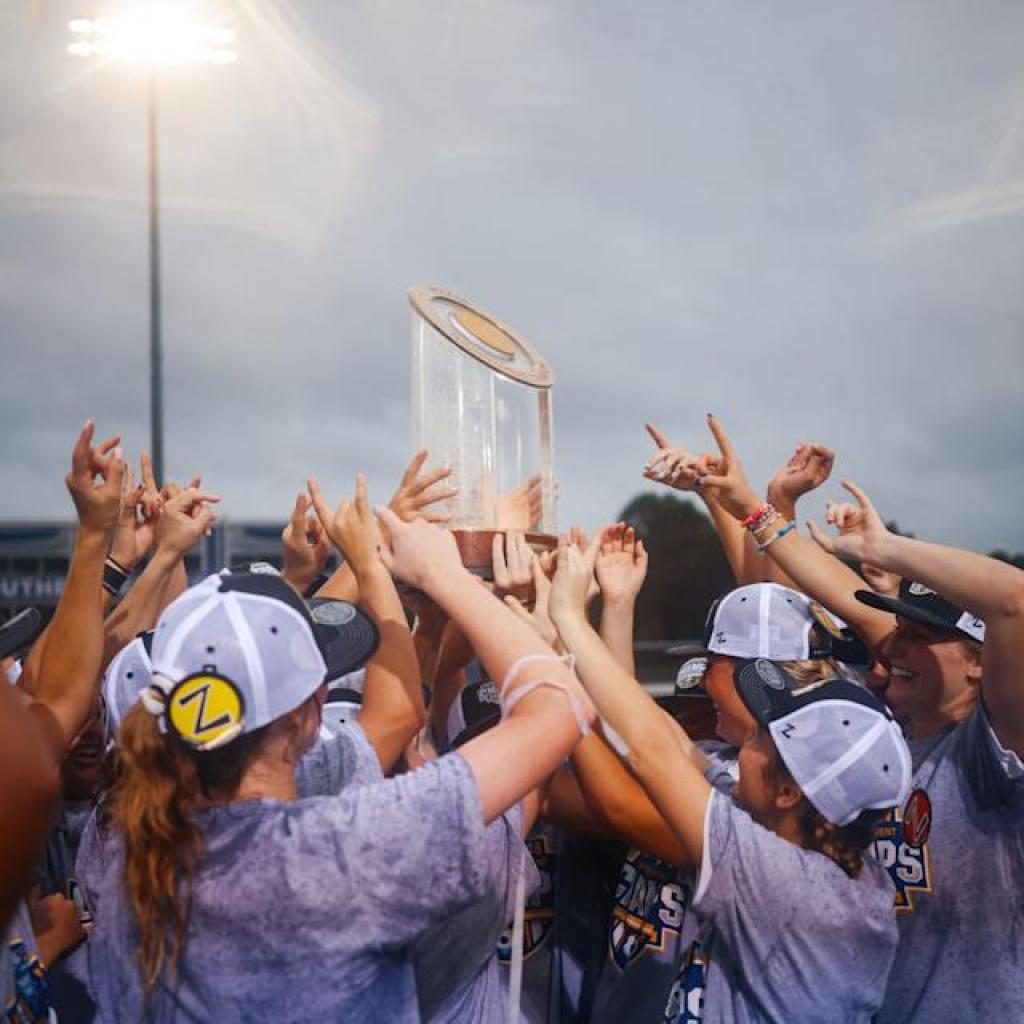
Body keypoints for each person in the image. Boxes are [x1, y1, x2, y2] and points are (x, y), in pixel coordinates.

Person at [80, 475, 595, 1022]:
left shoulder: (129, 866)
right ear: (310, 717)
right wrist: (443, 576)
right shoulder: (344, 852)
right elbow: (558, 707)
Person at [686, 413, 1024, 1023]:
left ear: (979, 665)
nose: (892, 645)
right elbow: (807, 611)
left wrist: (883, 547)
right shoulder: (881, 735)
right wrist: (756, 506)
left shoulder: (990, 751)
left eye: (919, 636)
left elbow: (1015, 604)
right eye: (896, 630)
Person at [546, 532, 911, 1023]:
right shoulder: (795, 833)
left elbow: (649, 759)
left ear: (788, 792)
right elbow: (664, 740)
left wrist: (563, 627)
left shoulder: (788, 882)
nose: (746, 749)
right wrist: (606, 610)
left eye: (765, 740)